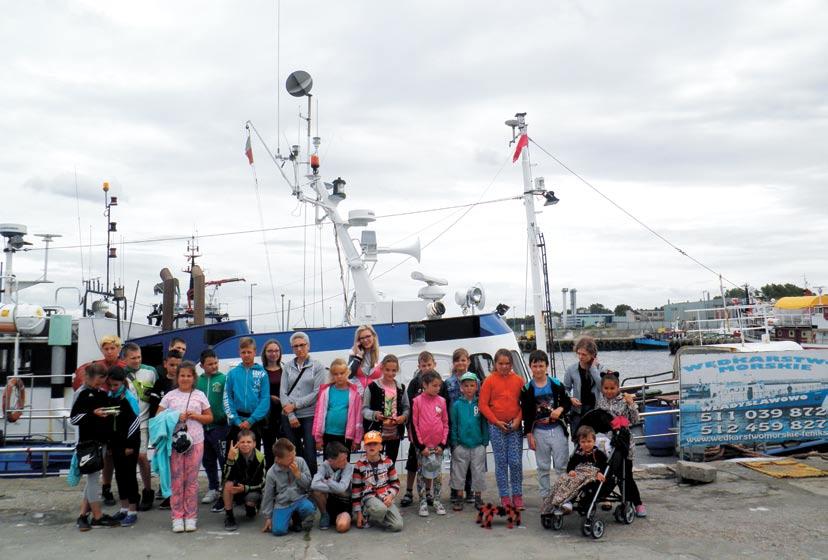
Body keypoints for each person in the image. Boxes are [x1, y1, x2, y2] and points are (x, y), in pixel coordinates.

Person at [157, 360, 213, 533]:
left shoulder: (200, 395)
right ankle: (177, 516)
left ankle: (190, 516)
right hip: (175, 444)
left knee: (191, 481)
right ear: (177, 377)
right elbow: (158, 417)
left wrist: (195, 416)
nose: (185, 379)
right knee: (177, 480)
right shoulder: (169, 396)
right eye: (182, 375)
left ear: (194, 377)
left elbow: (210, 418)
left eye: (189, 375)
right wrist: (174, 416)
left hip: (195, 441)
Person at [72, 334, 125, 506]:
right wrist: (93, 414)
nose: (109, 352)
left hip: (106, 431)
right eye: (106, 348)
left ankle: (87, 512)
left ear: (118, 349)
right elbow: (75, 417)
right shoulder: (85, 391)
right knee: (94, 474)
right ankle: (94, 511)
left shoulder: (121, 371)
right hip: (91, 436)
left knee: (100, 468)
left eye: (112, 348)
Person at [70, 363, 120, 530]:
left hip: (101, 442)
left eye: (102, 382)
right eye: (98, 381)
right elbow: (74, 419)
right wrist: (93, 414)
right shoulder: (82, 393)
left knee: (92, 478)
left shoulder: (101, 394)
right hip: (88, 443)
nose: (100, 385)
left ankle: (83, 515)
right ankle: (97, 516)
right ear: (88, 378)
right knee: (93, 479)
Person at [521, 349, 572, 502]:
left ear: (547, 366)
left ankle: (564, 496)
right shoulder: (527, 389)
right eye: (535, 366)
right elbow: (527, 414)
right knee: (542, 467)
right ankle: (545, 497)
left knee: (561, 466)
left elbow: (567, 402)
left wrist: (560, 409)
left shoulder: (556, 384)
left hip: (557, 429)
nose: (538, 369)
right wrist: (529, 435)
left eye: (541, 366)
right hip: (539, 431)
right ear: (530, 367)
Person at [400, 351, 449, 507]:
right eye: (423, 365)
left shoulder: (440, 384)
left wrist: (444, 439)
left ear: (434, 364)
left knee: (431, 464)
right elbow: (409, 408)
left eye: (429, 364)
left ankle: (428, 492)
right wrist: (409, 430)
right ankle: (409, 491)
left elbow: (445, 410)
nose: (427, 368)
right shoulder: (415, 383)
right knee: (413, 462)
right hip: (418, 435)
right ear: (419, 366)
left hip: (435, 437)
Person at [479, 349, 525, 509]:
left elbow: (523, 404)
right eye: (501, 363)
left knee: (515, 461)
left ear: (511, 364)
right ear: (495, 364)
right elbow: (483, 405)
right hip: (496, 427)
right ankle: (505, 496)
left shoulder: (519, 381)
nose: (504, 366)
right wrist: (496, 421)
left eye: (507, 364)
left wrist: (518, 420)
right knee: (501, 462)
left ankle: (518, 495)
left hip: (514, 427)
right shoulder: (489, 380)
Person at [595, 373, 646, 517]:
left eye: (612, 388)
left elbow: (635, 420)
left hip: (624, 443)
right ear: (602, 388)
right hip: (607, 444)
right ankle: (605, 497)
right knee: (609, 473)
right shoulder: (600, 401)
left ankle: (637, 503)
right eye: (606, 388)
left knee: (626, 476)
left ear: (618, 387)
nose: (609, 391)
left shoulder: (624, 400)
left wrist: (631, 404)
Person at [280, 332, 326, 476]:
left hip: (309, 415)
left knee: (310, 452)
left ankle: (312, 483)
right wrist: (291, 414)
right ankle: (298, 481)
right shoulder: (287, 367)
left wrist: (295, 405)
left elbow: (317, 393)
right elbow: (283, 392)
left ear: (308, 346)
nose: (299, 349)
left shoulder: (317, 366)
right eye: (296, 346)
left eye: (302, 345)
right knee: (294, 451)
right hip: (289, 416)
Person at [540, 425, 607, 517]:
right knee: (563, 479)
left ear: (594, 441)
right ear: (579, 442)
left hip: (591, 474)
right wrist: (571, 470)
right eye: (583, 442)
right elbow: (571, 464)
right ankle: (554, 503)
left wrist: (600, 472)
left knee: (576, 483)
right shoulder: (578, 454)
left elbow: (603, 465)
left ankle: (568, 502)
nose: (586, 444)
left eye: (589, 441)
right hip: (578, 473)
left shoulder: (599, 454)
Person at [122, 343, 158, 511]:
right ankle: (132, 493)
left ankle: (148, 490)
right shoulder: (120, 374)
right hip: (126, 425)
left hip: (144, 422)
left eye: (139, 357)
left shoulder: (151, 372)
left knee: (142, 457)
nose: (137, 361)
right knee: (128, 461)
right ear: (125, 358)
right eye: (133, 358)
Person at [409, 370, 449, 517]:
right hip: (422, 447)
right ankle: (423, 502)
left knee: (437, 474)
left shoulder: (442, 401)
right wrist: (421, 446)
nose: (438, 388)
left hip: (437, 446)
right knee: (421, 474)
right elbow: (414, 425)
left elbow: (445, 423)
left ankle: (437, 501)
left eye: (439, 385)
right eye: (434, 385)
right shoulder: (417, 401)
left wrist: (443, 444)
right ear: (424, 385)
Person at [148, 349, 182, 510]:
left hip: (179, 431)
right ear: (165, 364)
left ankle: (176, 494)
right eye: (172, 364)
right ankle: (166, 490)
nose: (175, 368)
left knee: (177, 464)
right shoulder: (160, 383)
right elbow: (155, 409)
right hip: (163, 430)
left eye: (178, 365)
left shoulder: (182, 384)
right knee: (164, 462)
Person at [260, 438, 317, 536]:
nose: (293, 459)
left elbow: (308, 484)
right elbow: (268, 496)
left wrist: (298, 475)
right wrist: (268, 517)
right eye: (290, 458)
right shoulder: (271, 473)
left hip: (299, 498)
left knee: (309, 508)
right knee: (278, 531)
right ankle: (289, 518)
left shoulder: (300, 461)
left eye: (294, 454)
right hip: (283, 503)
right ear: (278, 459)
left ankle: (298, 518)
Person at [106, 367, 141, 527]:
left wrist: (131, 445)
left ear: (122, 383)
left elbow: (135, 423)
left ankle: (133, 510)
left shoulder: (129, 398)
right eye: (110, 385)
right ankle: (124, 507)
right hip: (115, 443)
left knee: (129, 476)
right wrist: (109, 444)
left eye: (115, 385)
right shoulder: (110, 397)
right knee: (119, 476)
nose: (113, 388)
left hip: (129, 445)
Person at [449, 372, 488, 511]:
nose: (469, 388)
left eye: (472, 385)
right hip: (461, 445)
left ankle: (478, 497)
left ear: (476, 387)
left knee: (478, 472)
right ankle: (459, 497)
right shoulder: (457, 405)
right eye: (466, 386)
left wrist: (485, 441)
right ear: (461, 387)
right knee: (459, 472)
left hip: (478, 444)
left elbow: (484, 423)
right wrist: (455, 443)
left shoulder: (480, 404)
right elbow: (453, 425)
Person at [361, 354, 409, 465]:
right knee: (374, 464)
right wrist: (374, 415)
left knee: (391, 464)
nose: (390, 373)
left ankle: (389, 482)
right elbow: (364, 410)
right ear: (382, 368)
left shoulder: (401, 387)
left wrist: (404, 417)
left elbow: (406, 407)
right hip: (375, 435)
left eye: (393, 370)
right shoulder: (372, 387)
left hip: (394, 434)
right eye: (387, 370)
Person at [196, 348, 228, 512]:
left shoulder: (223, 379)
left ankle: (225, 489)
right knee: (207, 459)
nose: (214, 366)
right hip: (202, 427)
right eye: (210, 364)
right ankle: (213, 487)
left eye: (216, 363)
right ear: (202, 365)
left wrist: (224, 415)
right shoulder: (197, 381)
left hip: (220, 426)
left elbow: (228, 399)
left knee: (223, 459)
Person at [351, 431, 403, 532]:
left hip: (385, 497)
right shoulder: (359, 465)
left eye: (375, 443)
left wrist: (390, 496)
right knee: (381, 509)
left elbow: (395, 483)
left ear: (381, 447)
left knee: (398, 526)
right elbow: (356, 491)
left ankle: (375, 516)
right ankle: (365, 511)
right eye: (369, 444)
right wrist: (358, 513)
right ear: (364, 447)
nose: (372, 446)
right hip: (369, 497)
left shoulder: (388, 462)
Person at [444, 348, 477, 504]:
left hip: (471, 425)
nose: (460, 363)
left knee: (471, 460)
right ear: (454, 363)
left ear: (468, 361)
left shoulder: (476, 380)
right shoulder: (448, 383)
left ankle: (469, 490)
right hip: (455, 426)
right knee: (457, 460)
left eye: (463, 360)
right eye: (457, 360)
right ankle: (455, 490)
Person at [223, 337, 270, 446]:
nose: (246, 355)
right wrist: (236, 420)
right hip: (237, 422)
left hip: (254, 422)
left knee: (254, 457)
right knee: (233, 456)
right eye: (243, 352)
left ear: (255, 352)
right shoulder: (232, 374)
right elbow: (227, 398)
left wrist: (251, 420)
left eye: (249, 352)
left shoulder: (262, 374)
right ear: (239, 353)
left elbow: (265, 399)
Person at [312, 358, 363, 455]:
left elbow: (358, 418)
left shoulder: (354, 393)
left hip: (346, 436)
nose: (339, 376)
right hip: (328, 434)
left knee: (344, 463)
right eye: (336, 374)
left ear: (347, 373)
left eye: (342, 373)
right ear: (332, 375)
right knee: (329, 463)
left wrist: (357, 439)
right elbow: (319, 415)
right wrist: (318, 438)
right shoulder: (325, 392)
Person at [563, 335, 607, 440]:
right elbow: (565, 388)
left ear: (592, 355)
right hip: (578, 412)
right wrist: (570, 398)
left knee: (595, 442)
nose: (580, 357)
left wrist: (593, 369)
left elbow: (603, 389)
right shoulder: (571, 369)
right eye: (578, 353)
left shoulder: (601, 368)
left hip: (595, 411)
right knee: (578, 441)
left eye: (584, 354)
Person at [222, 429, 266, 531]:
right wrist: (229, 460)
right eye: (242, 442)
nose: (245, 444)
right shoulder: (233, 454)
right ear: (237, 443)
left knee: (250, 514)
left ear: (254, 444)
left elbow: (263, 483)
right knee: (228, 484)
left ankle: (252, 506)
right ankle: (229, 516)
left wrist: (246, 488)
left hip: (251, 489)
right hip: (237, 487)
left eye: (249, 442)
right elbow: (224, 479)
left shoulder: (260, 457)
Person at [311, 441, 354, 532]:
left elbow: (342, 488)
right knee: (316, 492)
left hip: (344, 505)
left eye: (346, 458)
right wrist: (336, 488)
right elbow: (314, 484)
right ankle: (324, 515)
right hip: (329, 504)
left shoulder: (348, 467)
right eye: (342, 460)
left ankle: (342, 517)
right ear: (331, 461)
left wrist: (329, 482)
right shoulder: (325, 465)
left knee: (341, 527)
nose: (346, 462)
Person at [261, 339, 283, 470]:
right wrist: (269, 397)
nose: (273, 353)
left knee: (283, 447)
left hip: (282, 414)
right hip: (266, 416)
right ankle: (269, 478)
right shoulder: (260, 371)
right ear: (265, 353)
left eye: (276, 350)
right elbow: (256, 393)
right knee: (269, 449)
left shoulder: (285, 370)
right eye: (270, 351)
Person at [347, 325, 382, 396]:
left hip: (376, 398)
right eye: (361, 338)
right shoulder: (353, 355)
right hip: (358, 398)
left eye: (368, 336)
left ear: (374, 336)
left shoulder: (382, 356)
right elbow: (349, 375)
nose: (365, 340)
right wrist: (359, 356)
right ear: (358, 341)